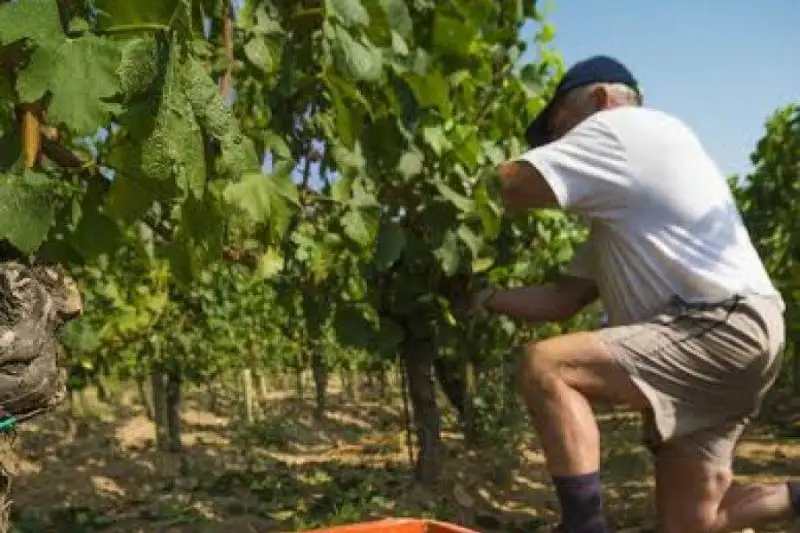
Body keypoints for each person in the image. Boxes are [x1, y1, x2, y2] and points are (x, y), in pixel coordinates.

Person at [474, 55, 799, 533]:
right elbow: (561, 302)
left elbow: (507, 185)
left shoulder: (623, 129)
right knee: (694, 522)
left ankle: (584, 527)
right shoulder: (619, 221)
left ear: (601, 99)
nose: (562, 145)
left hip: (716, 326)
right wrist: (483, 297)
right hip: (747, 332)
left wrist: (426, 193)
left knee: (546, 365)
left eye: (561, 127)